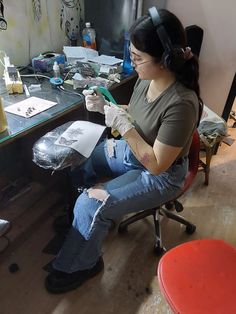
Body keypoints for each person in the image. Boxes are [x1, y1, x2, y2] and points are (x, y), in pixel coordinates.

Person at [45, 7, 202, 293]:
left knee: (91, 204)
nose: (133, 63)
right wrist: (108, 107)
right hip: (136, 149)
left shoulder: (182, 102)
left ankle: (81, 263)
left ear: (165, 61)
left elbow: (155, 164)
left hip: (161, 174)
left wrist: (123, 125)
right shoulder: (147, 79)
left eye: (138, 58)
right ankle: (86, 226)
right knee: (80, 159)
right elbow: (140, 115)